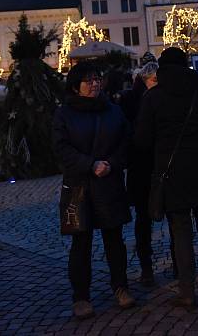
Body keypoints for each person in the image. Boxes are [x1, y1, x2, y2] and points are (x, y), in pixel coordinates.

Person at [134, 47, 198, 307]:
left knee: (181, 232)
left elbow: (141, 139)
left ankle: (187, 291)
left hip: (172, 171)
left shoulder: (153, 98)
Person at [52, 61, 135, 320]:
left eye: (97, 79)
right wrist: (90, 164)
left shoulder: (113, 110)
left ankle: (121, 287)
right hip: (79, 186)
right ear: (76, 86)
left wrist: (112, 163)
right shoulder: (64, 114)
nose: (94, 84)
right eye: (88, 80)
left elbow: (127, 142)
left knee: (114, 241)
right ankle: (81, 296)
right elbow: (61, 148)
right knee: (81, 244)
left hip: (109, 183)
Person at [125, 62, 162, 286]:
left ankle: (180, 265)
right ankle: (146, 266)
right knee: (143, 220)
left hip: (162, 166)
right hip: (141, 168)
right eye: (154, 81)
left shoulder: (163, 99)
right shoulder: (132, 102)